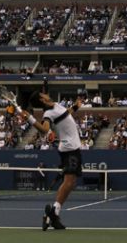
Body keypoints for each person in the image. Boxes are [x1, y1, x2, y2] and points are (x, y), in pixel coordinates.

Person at [21, 91, 83, 230]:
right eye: (43, 93)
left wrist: (75, 108)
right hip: (69, 148)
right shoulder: (48, 114)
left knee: (71, 182)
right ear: (42, 98)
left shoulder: (56, 106)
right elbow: (44, 129)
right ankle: (54, 213)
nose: (46, 93)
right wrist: (30, 118)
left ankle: (53, 214)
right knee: (68, 181)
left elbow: (65, 114)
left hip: (73, 148)